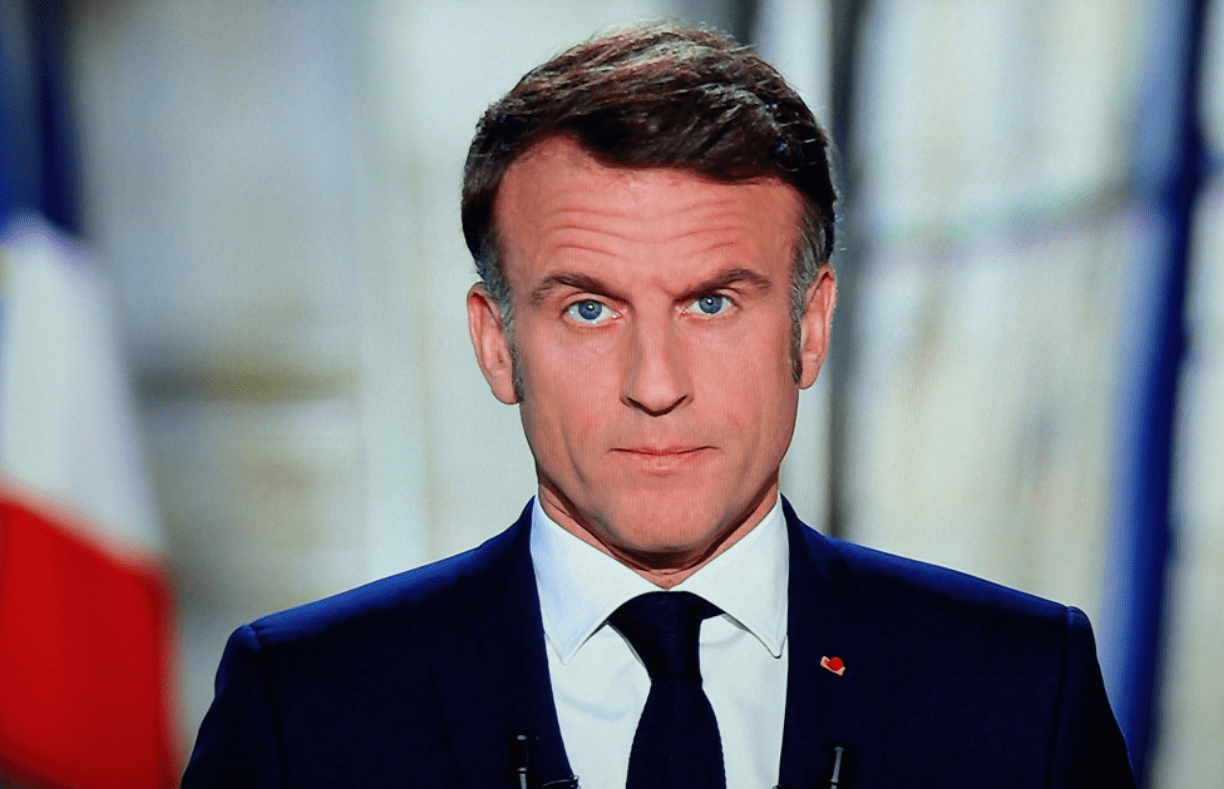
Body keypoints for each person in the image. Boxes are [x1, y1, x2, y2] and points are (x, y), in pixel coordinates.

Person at [182, 23, 1135, 789]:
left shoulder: (1021, 690)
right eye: (589, 308)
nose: (655, 382)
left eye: (711, 303)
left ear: (809, 328)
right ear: (496, 342)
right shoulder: (304, 707)